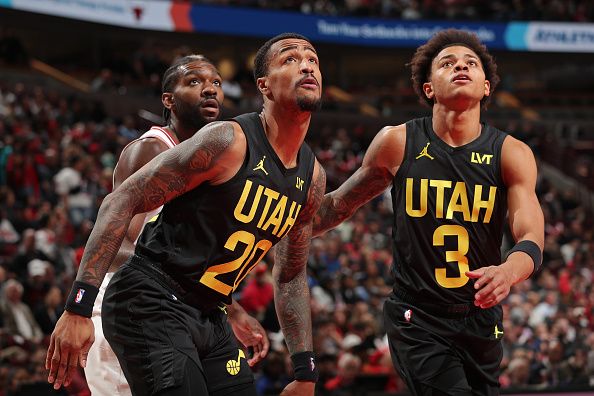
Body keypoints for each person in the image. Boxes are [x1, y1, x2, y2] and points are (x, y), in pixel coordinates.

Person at [47, 32, 326, 396]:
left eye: (313, 59)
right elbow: (121, 209)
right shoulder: (212, 142)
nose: (306, 65)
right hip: (145, 294)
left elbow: (290, 276)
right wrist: (78, 306)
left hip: (207, 308)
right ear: (264, 86)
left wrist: (305, 370)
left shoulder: (313, 177)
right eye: (290, 59)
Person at [313, 29, 544, 395]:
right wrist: (282, 226)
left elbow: (531, 237)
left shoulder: (511, 153)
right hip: (417, 316)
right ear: (428, 89)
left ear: (487, 87)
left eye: (471, 64)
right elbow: (338, 206)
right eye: (448, 63)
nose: (461, 67)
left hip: (480, 316)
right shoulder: (398, 141)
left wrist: (507, 272)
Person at [83, 54, 270, 396]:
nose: (210, 90)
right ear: (168, 100)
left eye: (215, 82)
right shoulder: (153, 150)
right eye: (195, 82)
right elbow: (137, 245)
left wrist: (226, 307)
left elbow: (184, 260)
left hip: (175, 304)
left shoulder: (212, 160)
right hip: (127, 298)